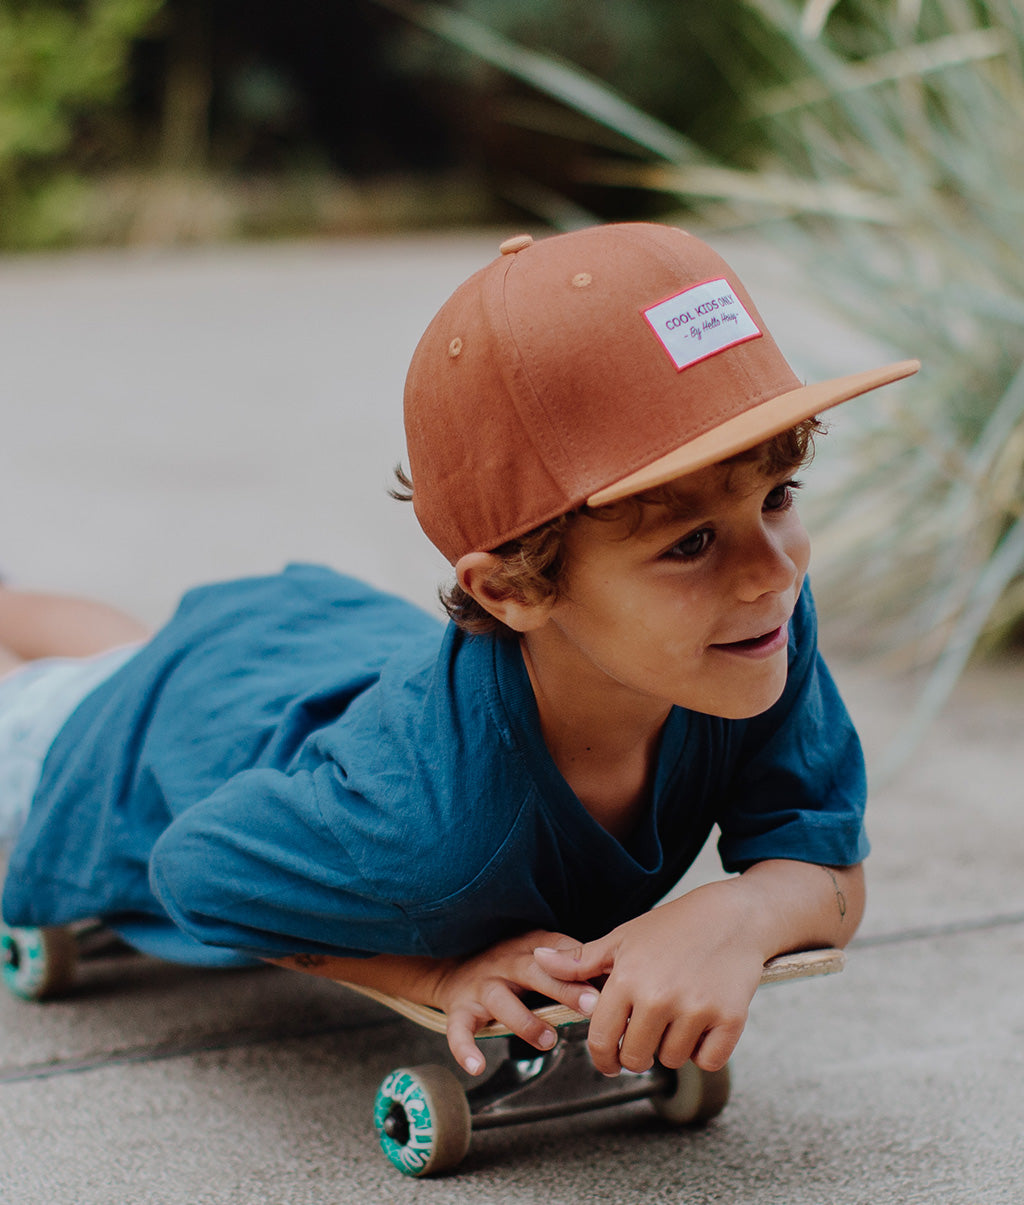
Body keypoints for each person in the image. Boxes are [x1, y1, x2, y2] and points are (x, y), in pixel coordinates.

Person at [0, 223, 918, 1081]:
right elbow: (190, 865)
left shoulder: (751, 635)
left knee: (135, 652)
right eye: (689, 543)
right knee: (68, 697)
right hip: (144, 737)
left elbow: (823, 858)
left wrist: (741, 912)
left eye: (778, 494)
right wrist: (435, 977)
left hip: (293, 651)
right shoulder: (427, 830)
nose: (774, 571)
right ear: (512, 590)